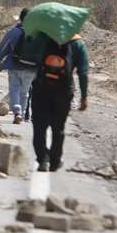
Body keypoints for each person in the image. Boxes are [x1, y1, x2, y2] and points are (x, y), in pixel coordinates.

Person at [31, 33, 89, 172]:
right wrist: (84, 96)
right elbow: (83, 72)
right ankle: (55, 161)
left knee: (39, 126)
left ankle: (43, 160)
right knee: (59, 128)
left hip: (42, 87)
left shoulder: (43, 38)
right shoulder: (78, 44)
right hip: (64, 90)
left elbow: (33, 58)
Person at [0, 8, 36, 124]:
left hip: (14, 66)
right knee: (25, 92)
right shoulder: (38, 33)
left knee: (14, 89)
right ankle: (22, 114)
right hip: (31, 68)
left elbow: (2, 48)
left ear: (21, 18)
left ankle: (17, 112)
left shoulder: (14, 32)